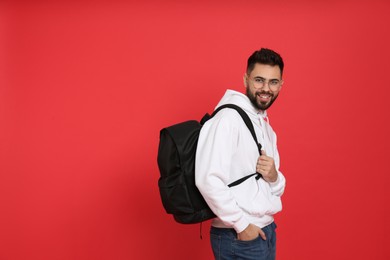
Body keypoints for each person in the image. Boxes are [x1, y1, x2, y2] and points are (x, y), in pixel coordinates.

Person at [195, 48, 286, 260]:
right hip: (238, 236)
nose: (266, 88)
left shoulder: (266, 128)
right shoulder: (228, 119)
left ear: (281, 85)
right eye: (259, 80)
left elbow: (275, 188)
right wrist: (242, 226)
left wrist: (274, 177)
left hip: (266, 231)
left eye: (273, 82)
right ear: (246, 79)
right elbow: (207, 179)